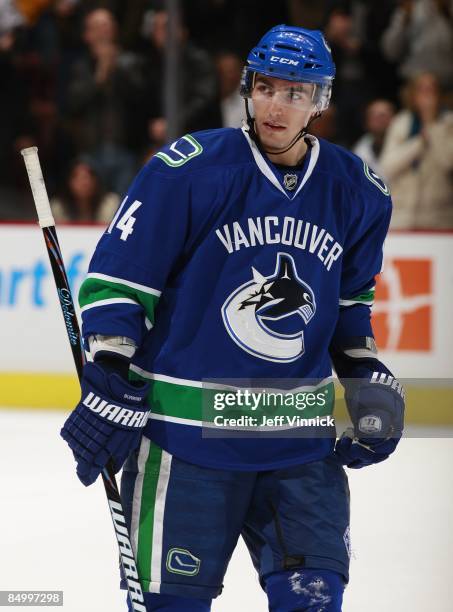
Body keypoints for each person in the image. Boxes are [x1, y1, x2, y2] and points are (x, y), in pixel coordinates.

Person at [60, 25, 405, 612]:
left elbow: (350, 307)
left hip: (300, 448)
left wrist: (365, 371)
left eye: (295, 92)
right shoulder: (186, 170)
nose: (276, 104)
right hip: (185, 446)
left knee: (314, 601)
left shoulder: (360, 192)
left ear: (319, 101)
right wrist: (113, 364)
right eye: (266, 87)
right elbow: (118, 281)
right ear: (248, 88)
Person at [380, 72, 453, 229]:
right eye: (422, 89)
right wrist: (420, 142)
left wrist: (431, 126)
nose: (427, 95)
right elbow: (388, 167)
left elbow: (448, 163)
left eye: (431, 89)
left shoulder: (449, 124)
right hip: (402, 217)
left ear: (439, 94)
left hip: (439, 219)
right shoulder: (401, 122)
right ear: (413, 94)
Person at [50, 158, 120, 223]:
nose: (83, 183)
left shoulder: (110, 203)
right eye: (77, 178)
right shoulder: (58, 207)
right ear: (69, 182)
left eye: (87, 177)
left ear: (96, 181)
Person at [353, 99, 396, 179]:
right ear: (366, 121)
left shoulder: (403, 141)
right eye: (372, 115)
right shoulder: (361, 149)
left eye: (382, 115)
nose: (377, 120)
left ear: (394, 119)